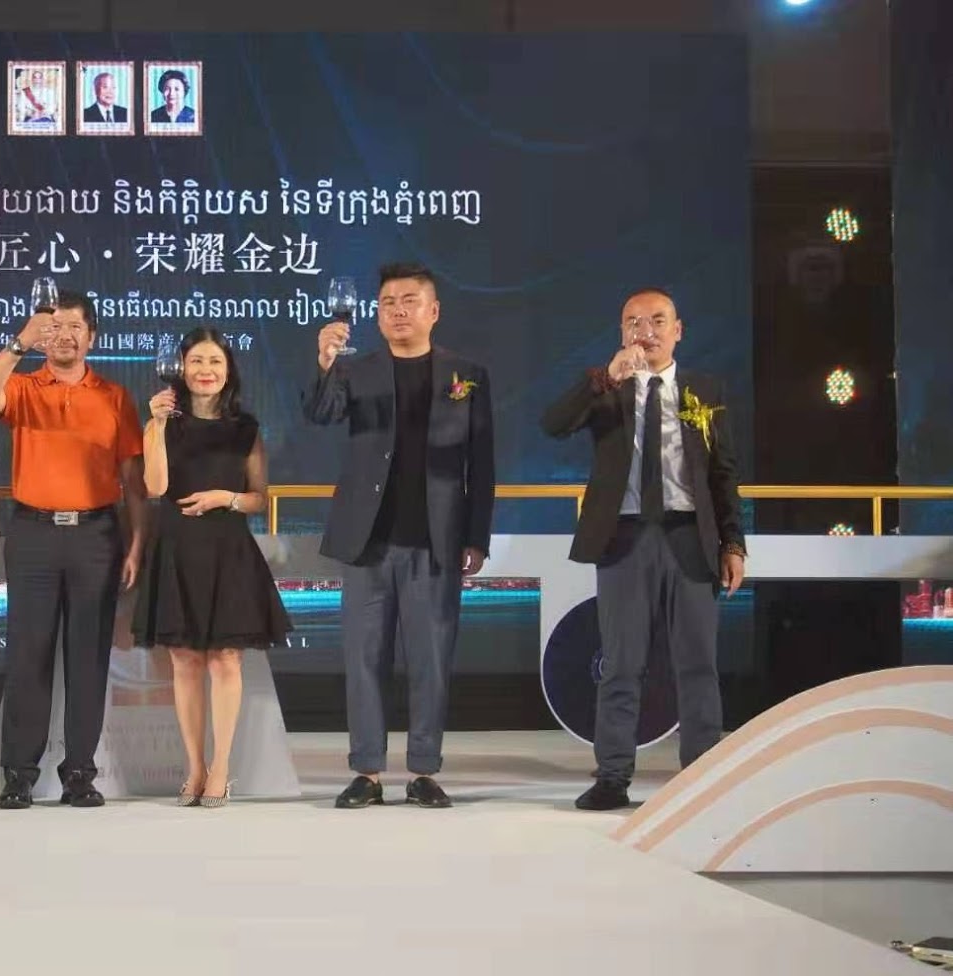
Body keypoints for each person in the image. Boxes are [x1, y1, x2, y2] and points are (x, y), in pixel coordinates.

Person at [541, 288, 746, 810]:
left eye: (657, 321)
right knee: (621, 662)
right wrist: (607, 377)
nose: (645, 331)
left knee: (697, 661)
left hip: (689, 536)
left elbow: (723, 474)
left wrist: (733, 543)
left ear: (678, 330)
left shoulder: (704, 389)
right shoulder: (605, 387)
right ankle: (613, 777)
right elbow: (553, 424)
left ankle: (700, 778)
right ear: (621, 333)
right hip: (625, 535)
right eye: (634, 322)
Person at [303, 262, 495, 810]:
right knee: (364, 659)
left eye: (409, 301)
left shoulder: (467, 374)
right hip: (368, 541)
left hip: (436, 541)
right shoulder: (356, 370)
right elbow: (319, 413)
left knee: (431, 660)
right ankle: (366, 771)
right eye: (387, 303)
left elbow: (482, 464)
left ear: (433, 311)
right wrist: (324, 363)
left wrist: (475, 537)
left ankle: (424, 771)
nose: (397, 310)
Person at [0, 291, 148, 809]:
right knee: (29, 655)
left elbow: (133, 481)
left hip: (97, 534)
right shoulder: (24, 385)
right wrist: (18, 342)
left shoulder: (114, 397)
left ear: (93, 337)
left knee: (89, 659)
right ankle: (19, 775)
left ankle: (79, 775)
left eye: (76, 326)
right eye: (56, 326)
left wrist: (136, 543)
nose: (65, 334)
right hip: (34, 533)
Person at [134, 328, 291, 807]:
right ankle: (194, 767)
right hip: (177, 547)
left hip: (228, 549)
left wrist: (225, 498)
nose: (205, 370)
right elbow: (156, 487)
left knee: (226, 659)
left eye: (215, 362)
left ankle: (221, 767)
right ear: (180, 368)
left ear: (228, 371)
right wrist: (156, 425)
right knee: (185, 661)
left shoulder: (245, 427)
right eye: (197, 361)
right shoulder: (161, 423)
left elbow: (259, 499)